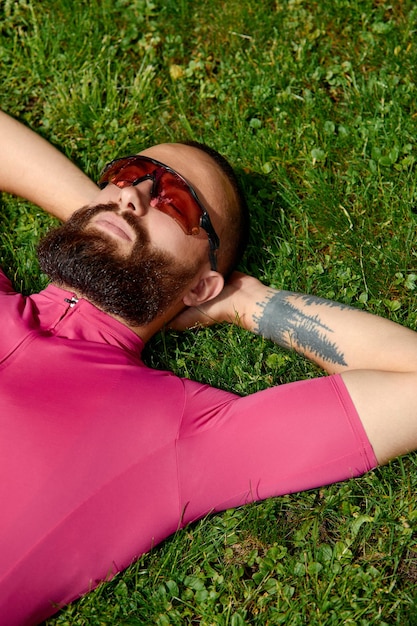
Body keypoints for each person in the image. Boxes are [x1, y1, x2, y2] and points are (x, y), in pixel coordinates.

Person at [0, 109, 416, 625]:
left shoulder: (175, 431)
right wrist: (97, 218)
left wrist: (244, 301)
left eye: (175, 202)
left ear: (202, 286)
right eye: (127, 175)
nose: (134, 193)